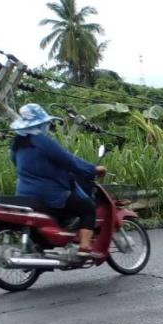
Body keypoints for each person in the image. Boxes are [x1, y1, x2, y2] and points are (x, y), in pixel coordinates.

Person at [7, 103, 105, 258]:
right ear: (40, 124)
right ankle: (85, 247)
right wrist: (93, 170)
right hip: (48, 193)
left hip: (24, 194)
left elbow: (16, 162)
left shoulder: (16, 143)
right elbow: (68, 160)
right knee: (88, 208)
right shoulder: (41, 140)